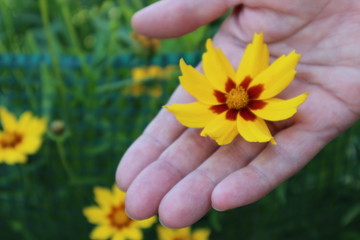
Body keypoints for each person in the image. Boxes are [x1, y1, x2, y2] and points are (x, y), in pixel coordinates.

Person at [116, 0, 360, 229]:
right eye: (234, 93)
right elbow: (204, 111)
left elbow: (276, 102)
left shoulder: (253, 95)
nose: (236, 94)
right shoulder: (221, 104)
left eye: (238, 93)